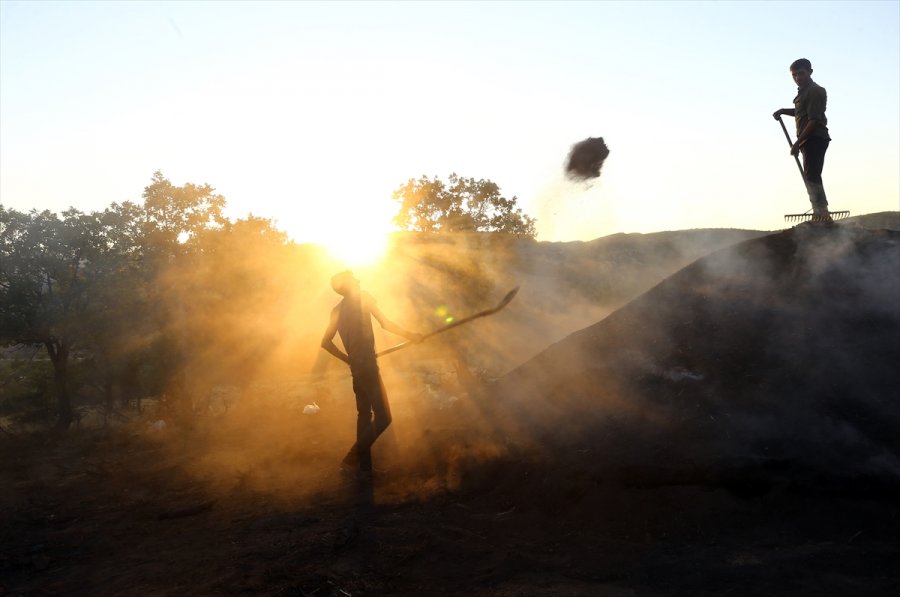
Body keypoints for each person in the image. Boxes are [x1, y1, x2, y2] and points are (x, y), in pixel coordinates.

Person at [321, 271, 422, 478]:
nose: (358, 280)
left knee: (364, 417)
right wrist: (412, 335)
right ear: (349, 285)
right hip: (367, 367)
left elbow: (325, 343)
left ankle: (364, 470)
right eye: (353, 278)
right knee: (384, 418)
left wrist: (348, 359)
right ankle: (351, 458)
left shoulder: (336, 310)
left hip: (357, 369)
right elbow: (386, 324)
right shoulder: (363, 297)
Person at [773, 58, 832, 221]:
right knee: (811, 175)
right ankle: (818, 211)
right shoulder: (804, 93)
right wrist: (783, 111)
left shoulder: (815, 91)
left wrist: (797, 144)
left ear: (810, 72)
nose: (797, 77)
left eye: (801, 73)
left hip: (815, 137)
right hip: (808, 139)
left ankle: (822, 212)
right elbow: (801, 112)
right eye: (794, 75)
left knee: (812, 175)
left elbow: (813, 120)